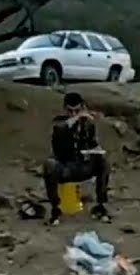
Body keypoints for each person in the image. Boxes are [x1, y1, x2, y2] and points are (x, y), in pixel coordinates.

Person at [43, 92, 111, 224]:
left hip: (83, 165)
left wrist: (96, 151)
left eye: (77, 110)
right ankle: (55, 210)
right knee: (49, 165)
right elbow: (59, 133)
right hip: (66, 166)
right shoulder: (59, 123)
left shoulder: (88, 124)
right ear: (65, 109)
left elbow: (93, 143)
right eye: (70, 111)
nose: (73, 114)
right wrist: (75, 119)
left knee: (104, 162)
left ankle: (101, 206)